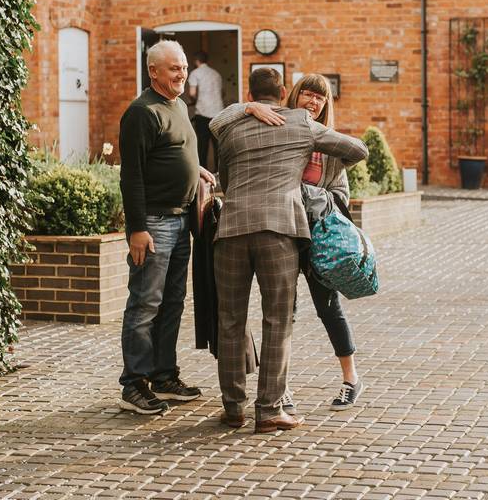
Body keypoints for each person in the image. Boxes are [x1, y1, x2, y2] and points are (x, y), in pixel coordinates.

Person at [211, 67, 368, 433]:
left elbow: (227, 178)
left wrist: (242, 110)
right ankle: (269, 410)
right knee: (277, 321)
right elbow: (357, 150)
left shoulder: (231, 127)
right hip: (279, 231)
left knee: (230, 322)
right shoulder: (302, 125)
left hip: (232, 228)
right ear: (284, 90)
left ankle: (233, 408)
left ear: (251, 96)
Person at [117, 40, 215, 415]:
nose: (181, 74)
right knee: (145, 304)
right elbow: (132, 177)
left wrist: (197, 170)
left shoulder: (179, 106)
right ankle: (134, 384)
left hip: (181, 219)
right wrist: (136, 229)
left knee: (172, 303)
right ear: (153, 71)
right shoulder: (141, 112)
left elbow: (181, 150)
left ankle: (163, 375)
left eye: (185, 67)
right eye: (173, 68)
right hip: (154, 224)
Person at [187, 51, 224, 170]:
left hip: (202, 113)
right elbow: (222, 93)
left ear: (196, 61)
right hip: (218, 113)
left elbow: (192, 93)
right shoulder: (216, 74)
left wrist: (194, 101)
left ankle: (203, 174)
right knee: (218, 145)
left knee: (202, 145)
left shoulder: (195, 73)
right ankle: (219, 173)